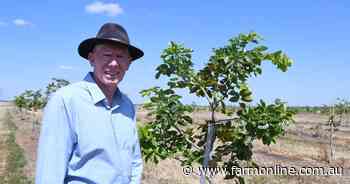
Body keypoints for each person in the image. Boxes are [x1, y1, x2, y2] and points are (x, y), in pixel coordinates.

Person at [35, 22, 144, 184]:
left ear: (128, 63)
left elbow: (134, 161)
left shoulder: (127, 105)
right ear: (91, 58)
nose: (114, 63)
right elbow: (50, 172)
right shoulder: (66, 100)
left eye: (120, 56)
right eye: (107, 55)